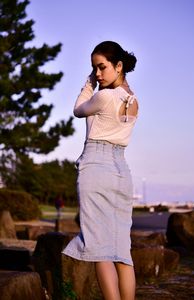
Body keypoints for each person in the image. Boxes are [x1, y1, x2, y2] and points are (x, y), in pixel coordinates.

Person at [62, 41, 138, 300]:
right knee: (122, 250)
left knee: (99, 248)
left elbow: (77, 110)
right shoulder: (133, 99)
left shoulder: (103, 96)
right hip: (122, 172)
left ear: (119, 66)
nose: (97, 73)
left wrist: (87, 85)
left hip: (97, 167)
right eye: (93, 69)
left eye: (101, 67)